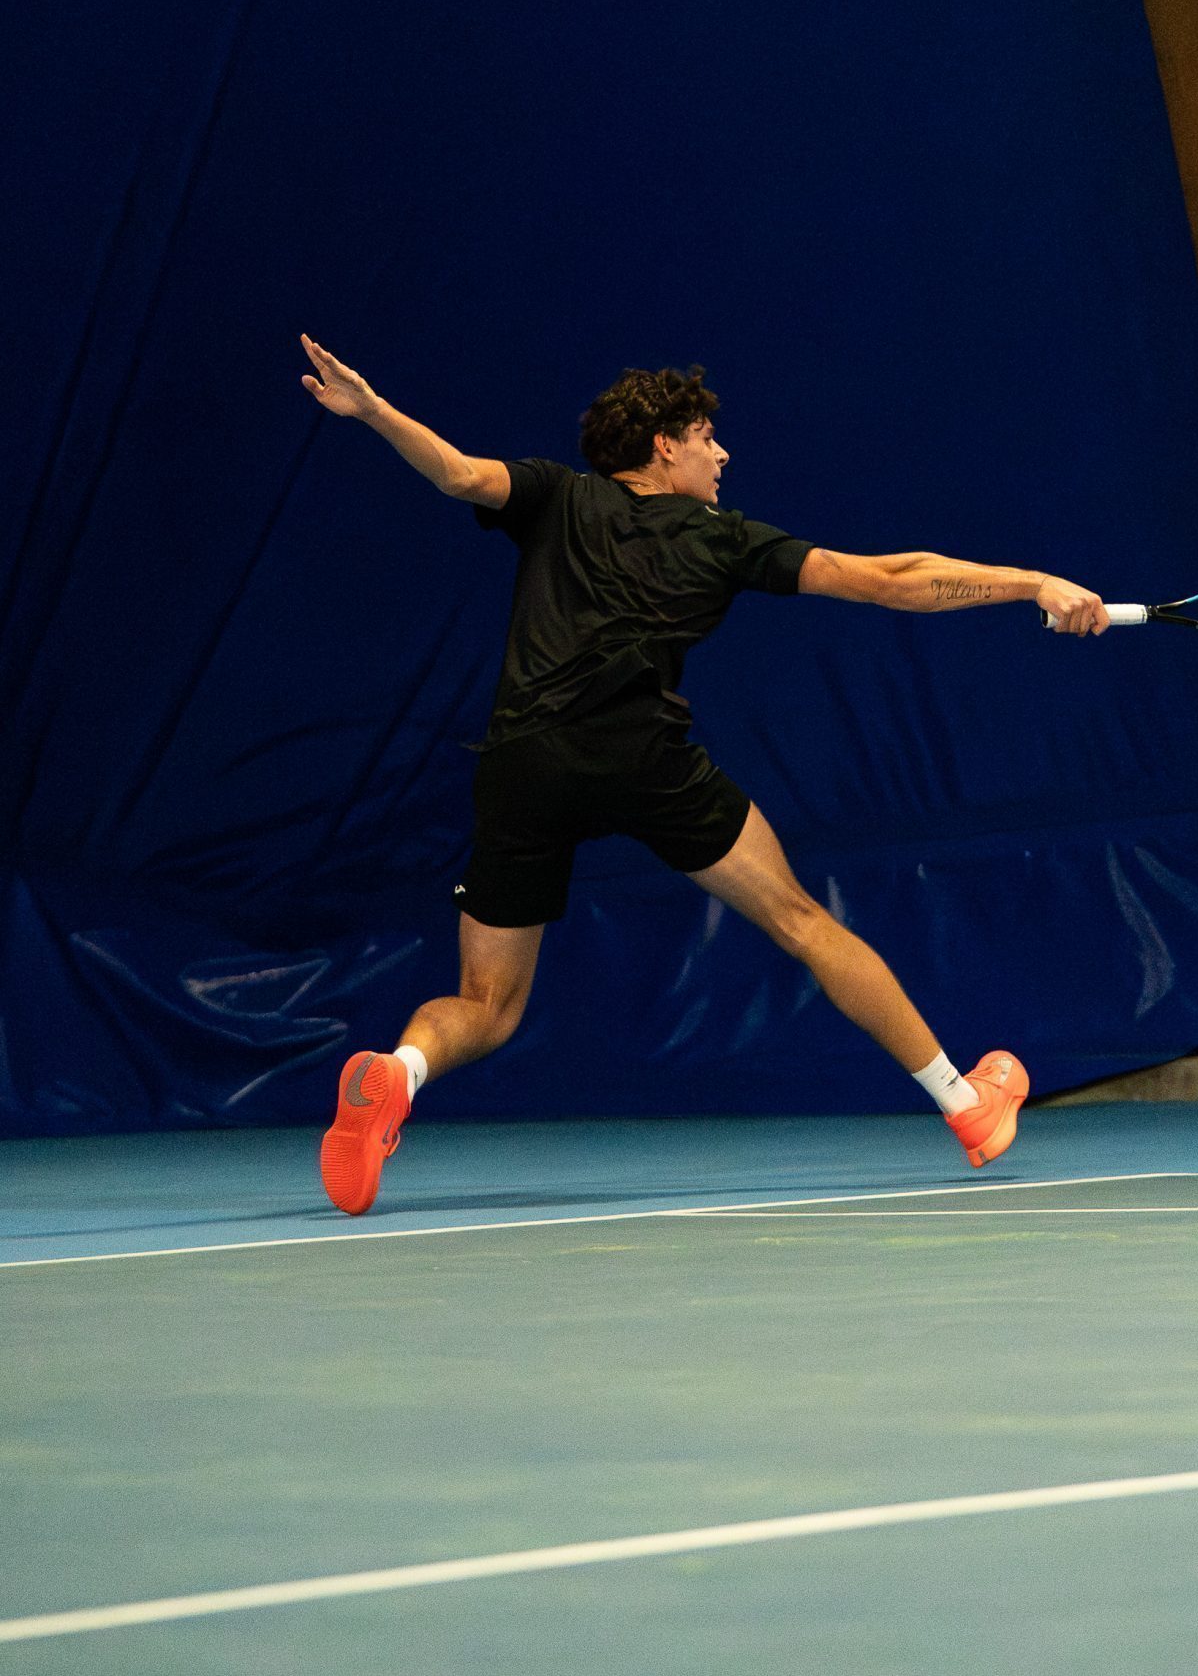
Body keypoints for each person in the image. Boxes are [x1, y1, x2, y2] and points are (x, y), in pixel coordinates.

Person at [301, 337, 1110, 1214]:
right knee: (802, 921)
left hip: (522, 761)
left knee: (487, 1005)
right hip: (639, 755)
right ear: (663, 447)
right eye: (705, 438)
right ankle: (967, 1106)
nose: (722, 454)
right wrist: (1032, 582)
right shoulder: (724, 540)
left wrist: (373, 412)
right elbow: (888, 579)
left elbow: (457, 474)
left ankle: (400, 1069)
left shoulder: (555, 494)